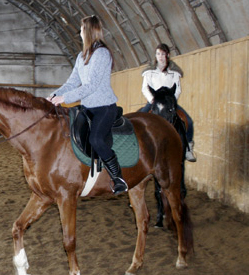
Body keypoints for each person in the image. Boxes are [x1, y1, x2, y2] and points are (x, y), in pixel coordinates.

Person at [47, 15, 127, 195]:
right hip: (87, 107)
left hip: (104, 107)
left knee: (96, 139)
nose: (80, 33)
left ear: (89, 31)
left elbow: (91, 86)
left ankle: (118, 178)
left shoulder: (102, 54)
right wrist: (54, 95)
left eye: (82, 29)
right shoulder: (81, 56)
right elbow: (72, 82)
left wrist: (65, 99)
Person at [140, 43, 196, 162]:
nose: (160, 56)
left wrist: (172, 101)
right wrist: (152, 100)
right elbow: (145, 88)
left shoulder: (174, 72)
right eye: (158, 54)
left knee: (189, 122)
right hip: (154, 101)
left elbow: (178, 88)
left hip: (169, 102)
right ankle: (136, 147)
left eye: (163, 54)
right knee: (138, 118)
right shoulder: (149, 72)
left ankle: (188, 149)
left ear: (168, 55)